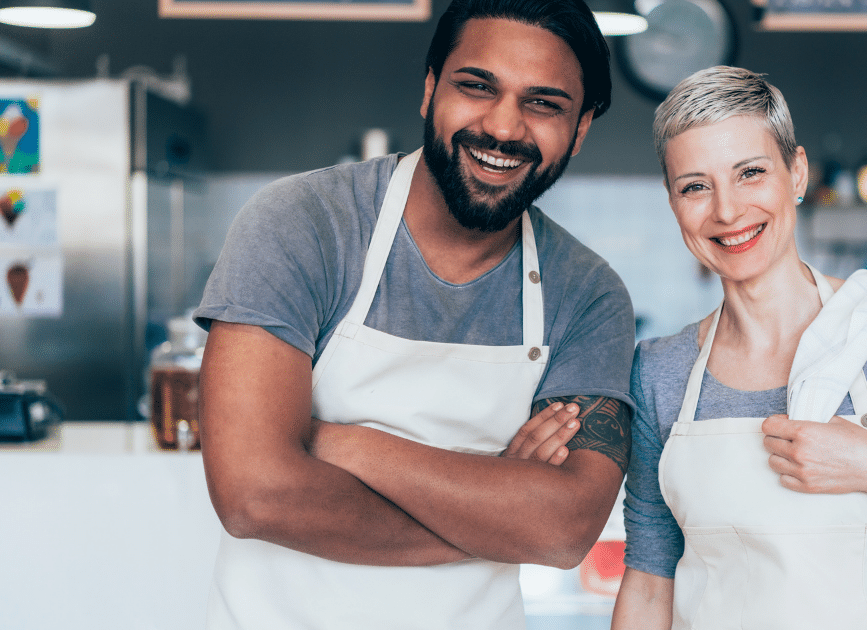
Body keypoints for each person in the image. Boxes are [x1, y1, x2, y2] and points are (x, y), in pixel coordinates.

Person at [194, 1, 635, 628]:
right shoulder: (302, 224)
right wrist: (499, 514)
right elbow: (254, 494)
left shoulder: (587, 295)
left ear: (582, 127)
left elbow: (564, 531)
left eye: (544, 104)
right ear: (429, 89)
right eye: (477, 86)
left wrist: (343, 444)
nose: (504, 128)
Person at [611, 66, 867, 629]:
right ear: (674, 203)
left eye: (750, 173)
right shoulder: (660, 371)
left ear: (797, 173)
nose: (727, 211)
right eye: (696, 186)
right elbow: (650, 582)